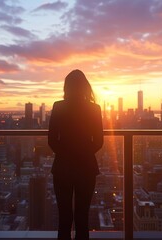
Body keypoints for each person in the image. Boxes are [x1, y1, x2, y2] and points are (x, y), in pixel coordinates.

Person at [48, 69, 104, 240]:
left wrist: (66, 154)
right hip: (86, 167)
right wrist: (83, 153)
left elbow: (52, 140)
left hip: (62, 168)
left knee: (64, 218)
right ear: (85, 87)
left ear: (67, 87)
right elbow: (99, 141)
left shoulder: (59, 106)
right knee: (82, 217)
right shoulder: (94, 109)